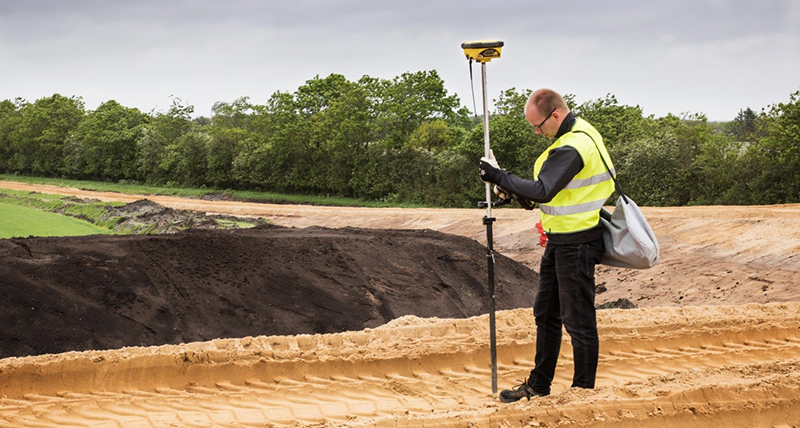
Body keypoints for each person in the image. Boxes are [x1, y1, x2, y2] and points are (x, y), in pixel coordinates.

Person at [478, 88, 615, 402]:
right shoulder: (576, 134)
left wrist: (499, 175)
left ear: (556, 114)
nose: (536, 132)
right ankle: (539, 386)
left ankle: (582, 394)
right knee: (546, 313)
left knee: (578, 320)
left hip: (577, 243)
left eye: (538, 125)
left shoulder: (575, 145)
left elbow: (544, 190)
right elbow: (552, 194)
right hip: (561, 239)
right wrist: (509, 190)